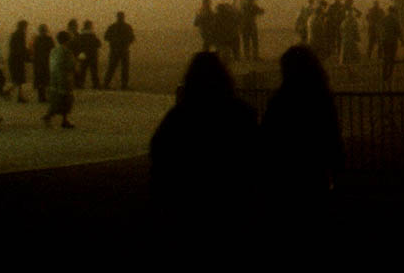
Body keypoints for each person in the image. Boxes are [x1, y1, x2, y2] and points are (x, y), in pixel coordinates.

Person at [150, 51, 260, 221]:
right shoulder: (240, 112)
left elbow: (159, 151)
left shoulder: (180, 116)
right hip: (233, 199)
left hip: (188, 201)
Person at [259, 44, 345, 212]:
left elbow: (267, 139)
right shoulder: (321, 99)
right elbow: (332, 137)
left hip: (284, 178)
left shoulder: (279, 102)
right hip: (314, 175)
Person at [44, 30, 76, 128]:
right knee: (65, 99)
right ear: (67, 40)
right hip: (64, 78)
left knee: (57, 98)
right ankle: (52, 116)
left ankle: (63, 119)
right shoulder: (66, 52)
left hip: (54, 77)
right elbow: (70, 65)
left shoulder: (54, 50)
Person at [103, 11, 135, 89]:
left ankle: (106, 84)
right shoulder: (127, 27)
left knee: (111, 68)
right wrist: (126, 42)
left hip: (114, 50)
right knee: (124, 69)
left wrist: (113, 41)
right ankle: (124, 85)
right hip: (124, 50)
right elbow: (132, 38)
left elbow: (106, 37)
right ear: (123, 17)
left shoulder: (112, 27)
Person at [8, 20, 31, 101]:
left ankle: (16, 94)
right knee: (19, 79)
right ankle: (17, 95)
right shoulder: (21, 34)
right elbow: (22, 47)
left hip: (13, 58)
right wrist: (28, 56)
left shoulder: (14, 34)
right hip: (18, 59)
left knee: (18, 79)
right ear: (24, 26)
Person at [76, 20, 103, 88]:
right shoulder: (93, 35)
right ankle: (96, 84)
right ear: (90, 26)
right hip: (93, 55)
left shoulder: (81, 35)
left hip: (83, 55)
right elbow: (98, 44)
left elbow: (78, 45)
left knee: (83, 71)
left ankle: (80, 84)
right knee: (94, 71)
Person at [31, 24, 53, 106]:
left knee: (40, 80)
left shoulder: (36, 39)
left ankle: (41, 97)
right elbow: (52, 50)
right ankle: (46, 96)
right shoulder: (49, 39)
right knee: (46, 80)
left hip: (38, 63)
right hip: (46, 62)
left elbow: (34, 51)